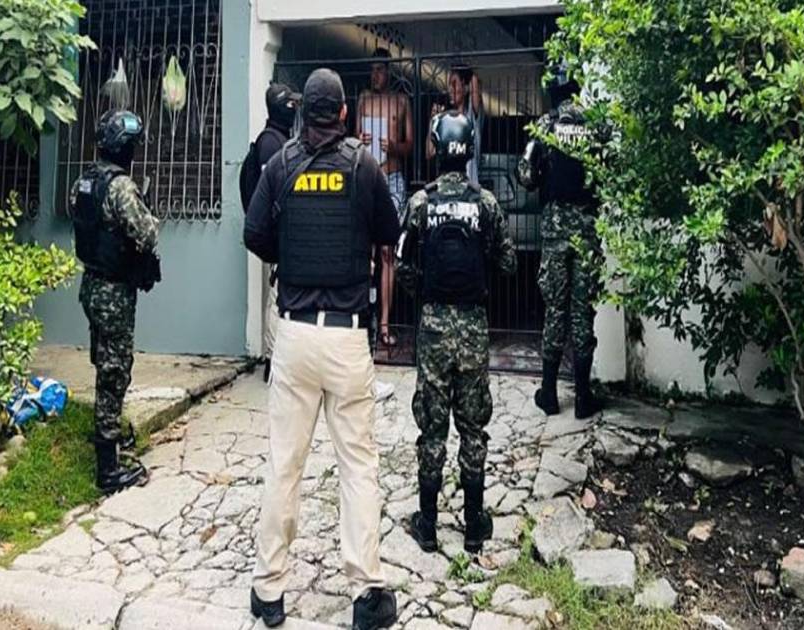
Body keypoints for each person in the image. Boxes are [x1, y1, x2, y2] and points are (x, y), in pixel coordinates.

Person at [244, 68, 399, 630]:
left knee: (285, 463)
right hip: (346, 337)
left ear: (303, 113)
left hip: (294, 334)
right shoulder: (363, 167)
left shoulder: (280, 165)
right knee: (357, 464)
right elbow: (389, 230)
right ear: (344, 113)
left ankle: (269, 590)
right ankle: (366, 592)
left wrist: (289, 254)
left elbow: (254, 234)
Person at [398, 111, 517, 554]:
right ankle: (473, 526)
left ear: (436, 147)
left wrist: (426, 293)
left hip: (432, 329)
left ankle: (427, 525)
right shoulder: (485, 204)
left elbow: (402, 265)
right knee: (473, 427)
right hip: (473, 328)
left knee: (432, 428)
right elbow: (509, 263)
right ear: (468, 149)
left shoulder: (420, 203)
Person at [70, 109, 161, 494]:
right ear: (124, 148)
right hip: (113, 294)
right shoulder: (122, 187)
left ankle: (107, 432)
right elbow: (147, 234)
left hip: (91, 285)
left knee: (103, 361)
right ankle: (108, 468)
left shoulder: (85, 180)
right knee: (114, 370)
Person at [518, 65, 607, 420]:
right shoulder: (596, 126)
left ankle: (550, 393)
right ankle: (583, 397)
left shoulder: (545, 126)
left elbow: (525, 175)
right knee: (583, 309)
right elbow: (607, 171)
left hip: (555, 232)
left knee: (555, 308)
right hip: (587, 231)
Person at [241, 83, 302, 382]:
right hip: (275, 233)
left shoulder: (281, 139)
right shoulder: (270, 142)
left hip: (283, 233)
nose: (295, 109)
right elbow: (273, 193)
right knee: (276, 296)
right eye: (291, 104)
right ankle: (272, 360)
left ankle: (280, 357)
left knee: (282, 294)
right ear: (281, 107)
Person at [357, 48, 414, 350]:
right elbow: (352, 140)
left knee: (387, 252)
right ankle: (363, 316)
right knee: (365, 248)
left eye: (380, 69)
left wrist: (393, 146)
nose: (375, 75)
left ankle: (384, 323)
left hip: (392, 177)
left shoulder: (401, 102)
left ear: (389, 72)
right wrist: (360, 140)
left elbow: (410, 145)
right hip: (369, 176)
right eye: (372, 69)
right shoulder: (363, 100)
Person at [429, 63, 483, 183]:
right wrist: (432, 121)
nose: (450, 90)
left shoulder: (471, 115)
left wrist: (462, 69)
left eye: (454, 84)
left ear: (465, 87)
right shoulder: (444, 119)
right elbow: (429, 152)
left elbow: (473, 80)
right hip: (446, 184)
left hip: (468, 183)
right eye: (449, 85)